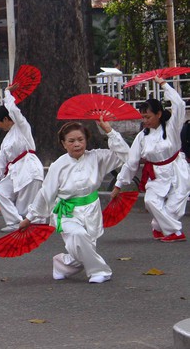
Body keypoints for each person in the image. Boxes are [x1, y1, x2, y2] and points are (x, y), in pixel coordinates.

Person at [20, 119, 129, 284]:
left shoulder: (97, 157)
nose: (77, 144)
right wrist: (30, 217)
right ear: (63, 144)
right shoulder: (58, 165)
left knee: (83, 248)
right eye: (71, 141)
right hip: (66, 211)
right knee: (78, 236)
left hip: (92, 209)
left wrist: (110, 131)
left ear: (86, 140)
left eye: (80, 139)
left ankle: (62, 264)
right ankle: (101, 271)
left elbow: (125, 155)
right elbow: (45, 193)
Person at [112, 76, 190, 242]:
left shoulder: (172, 126)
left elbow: (180, 105)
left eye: (148, 117)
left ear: (159, 114)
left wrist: (163, 84)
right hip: (156, 173)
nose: (145, 120)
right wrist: (119, 184)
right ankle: (174, 232)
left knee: (175, 207)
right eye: (143, 117)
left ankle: (159, 226)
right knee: (150, 200)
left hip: (177, 168)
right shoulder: (142, 137)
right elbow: (132, 162)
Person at [0, 85, 44, 232]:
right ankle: (15, 222)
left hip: (30, 169)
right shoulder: (7, 139)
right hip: (15, 171)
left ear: (5, 118)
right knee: (0, 191)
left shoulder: (22, 127)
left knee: (26, 204)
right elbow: (1, 160)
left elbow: (14, 111)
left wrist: (7, 93)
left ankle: (32, 223)